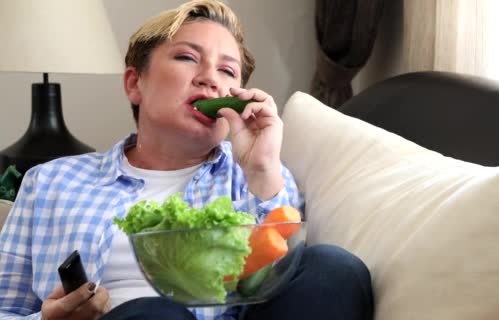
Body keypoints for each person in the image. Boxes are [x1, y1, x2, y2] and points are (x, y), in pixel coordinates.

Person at [0, 1, 373, 319]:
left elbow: (282, 287)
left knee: (335, 269)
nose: (211, 78)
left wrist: (261, 169)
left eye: (228, 71)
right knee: (155, 313)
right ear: (134, 83)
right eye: (187, 58)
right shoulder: (51, 181)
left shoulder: (259, 172)